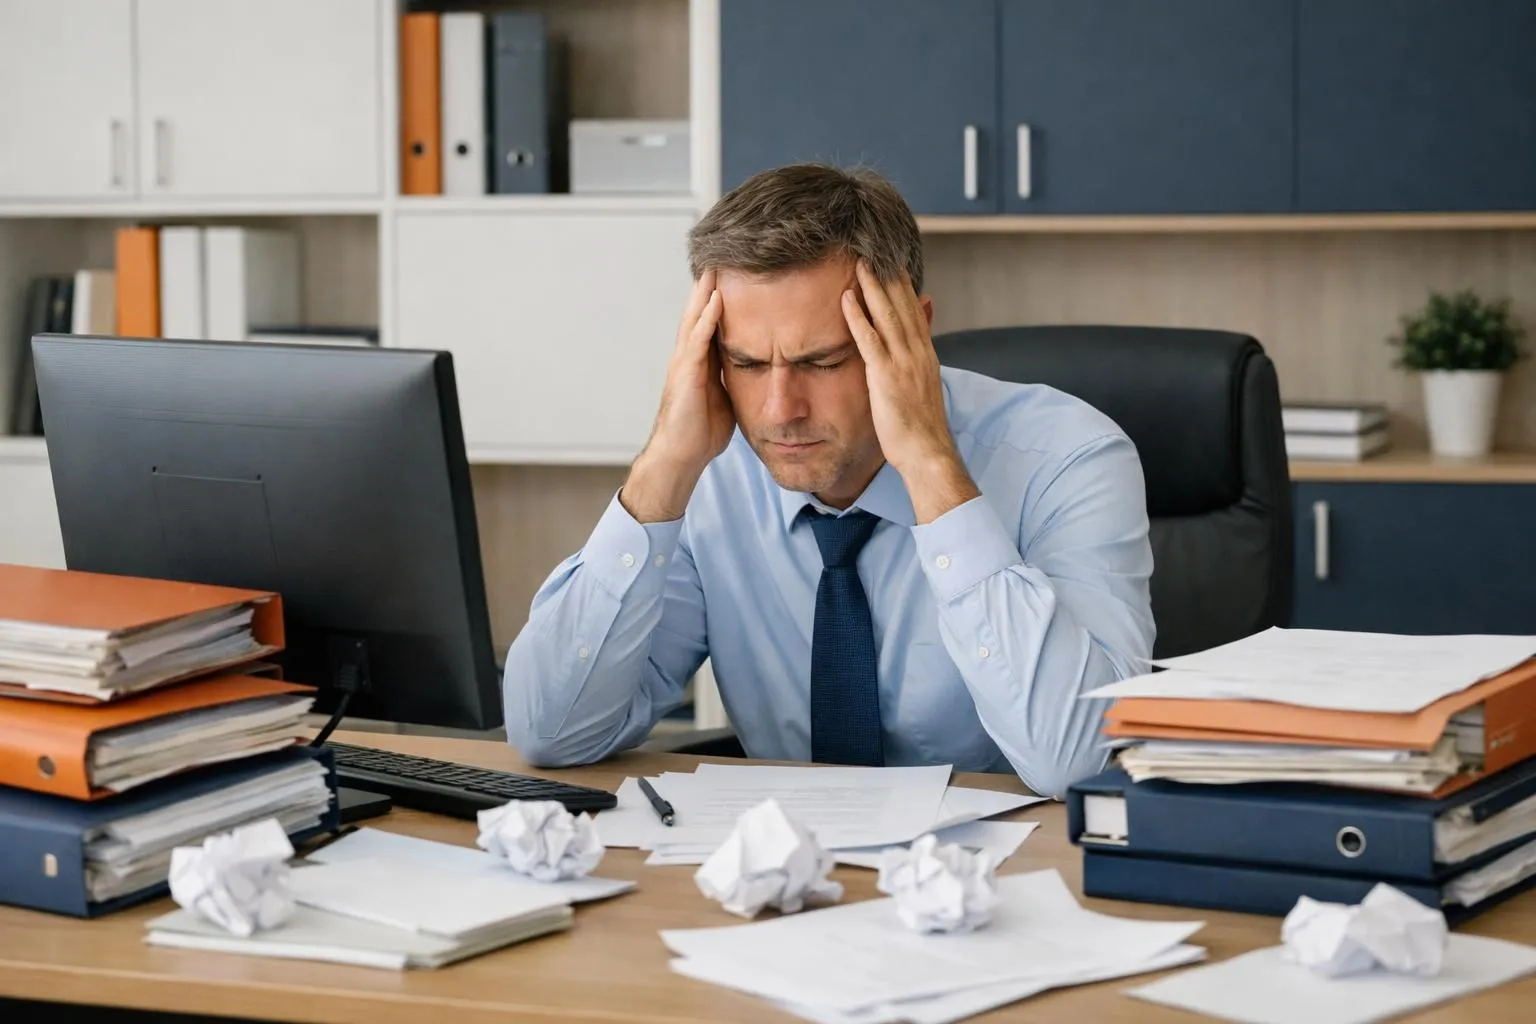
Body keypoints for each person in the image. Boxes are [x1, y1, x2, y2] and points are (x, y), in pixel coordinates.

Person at [502, 163, 1153, 798]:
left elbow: (1078, 759)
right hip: (781, 876)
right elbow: (550, 732)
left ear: (911, 336)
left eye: (821, 361)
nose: (781, 410)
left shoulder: (1068, 458)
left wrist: (930, 464)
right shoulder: (709, 472)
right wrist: (662, 471)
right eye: (747, 362)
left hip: (1003, 878)